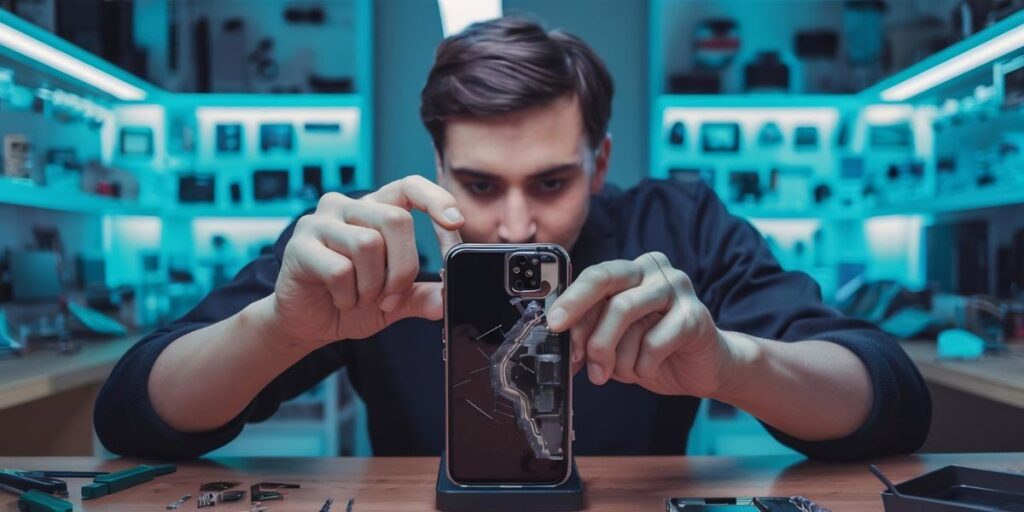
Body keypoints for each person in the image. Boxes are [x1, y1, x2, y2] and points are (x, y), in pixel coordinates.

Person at [95, 16, 930, 461]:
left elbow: (890, 398)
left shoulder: (678, 225)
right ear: (437, 164)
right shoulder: (374, 243)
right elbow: (134, 412)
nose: (517, 226)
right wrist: (276, 331)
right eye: (481, 185)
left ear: (601, 162)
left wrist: (732, 365)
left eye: (553, 182)